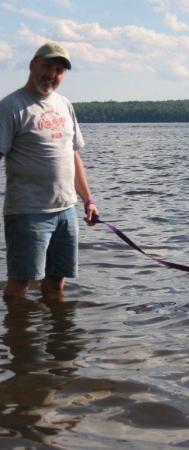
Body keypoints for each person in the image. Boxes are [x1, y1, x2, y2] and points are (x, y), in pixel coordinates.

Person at [0, 42, 99, 300]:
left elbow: (73, 154)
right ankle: (17, 337)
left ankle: (58, 336)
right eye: (47, 66)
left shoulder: (65, 104)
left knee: (56, 283)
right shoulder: (11, 106)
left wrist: (88, 200)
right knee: (20, 285)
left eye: (59, 70)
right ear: (32, 64)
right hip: (27, 212)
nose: (52, 74)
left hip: (66, 211)